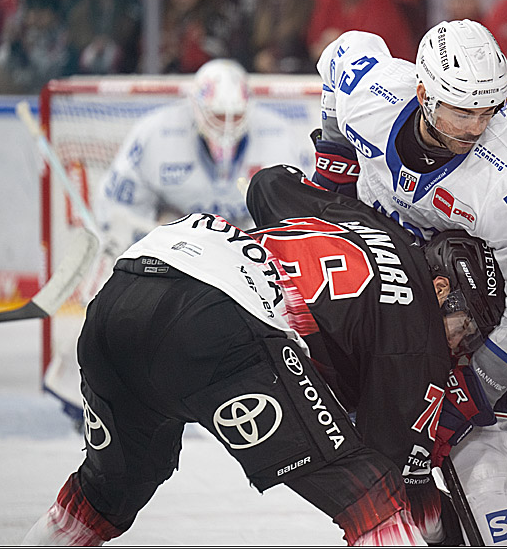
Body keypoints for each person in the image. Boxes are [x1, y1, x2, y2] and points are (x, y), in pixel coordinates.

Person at [23, 163, 506, 546]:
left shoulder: (362, 220)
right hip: (218, 322)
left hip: (130, 286)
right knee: (370, 495)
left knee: (105, 496)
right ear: (440, 287)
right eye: (464, 328)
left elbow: (267, 185)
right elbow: (400, 476)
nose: (459, 348)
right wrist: (449, 533)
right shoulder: (418, 335)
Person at [312, 20, 507, 545]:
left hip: (479, 325)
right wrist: (332, 174)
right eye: (462, 109)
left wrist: (474, 391)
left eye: (488, 109)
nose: (476, 126)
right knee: (386, 464)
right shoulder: (376, 96)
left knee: (485, 464)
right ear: (425, 94)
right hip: (393, 303)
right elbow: (342, 54)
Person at [41, 59, 314, 420]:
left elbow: (302, 216)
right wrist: (140, 242)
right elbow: (116, 209)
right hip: (174, 243)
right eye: (218, 116)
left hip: (247, 246)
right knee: (108, 279)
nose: (228, 127)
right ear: (197, 109)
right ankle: (88, 385)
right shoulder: (155, 134)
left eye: (236, 116)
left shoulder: (280, 136)